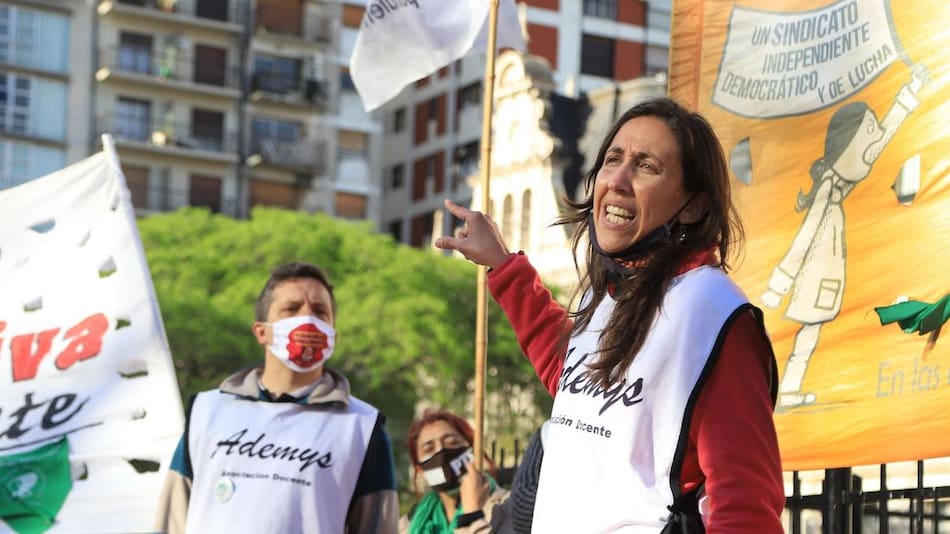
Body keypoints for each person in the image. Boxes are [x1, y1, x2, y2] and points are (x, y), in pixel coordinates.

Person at [435, 97, 785, 531]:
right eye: (612, 159)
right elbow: (571, 378)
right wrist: (504, 266)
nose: (617, 179)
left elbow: (746, 500)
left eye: (646, 166)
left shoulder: (712, 311)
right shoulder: (609, 296)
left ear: (694, 206)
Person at [155, 262, 399, 533]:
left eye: (320, 311)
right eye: (291, 309)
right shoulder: (207, 411)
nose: (308, 319)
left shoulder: (363, 428)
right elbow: (172, 518)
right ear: (262, 331)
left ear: (333, 335)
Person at [399, 409, 508, 534]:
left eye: (452, 442)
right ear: (420, 470)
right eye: (429, 448)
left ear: (472, 451)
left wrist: (472, 516)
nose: (440, 451)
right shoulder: (405, 527)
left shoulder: (509, 509)